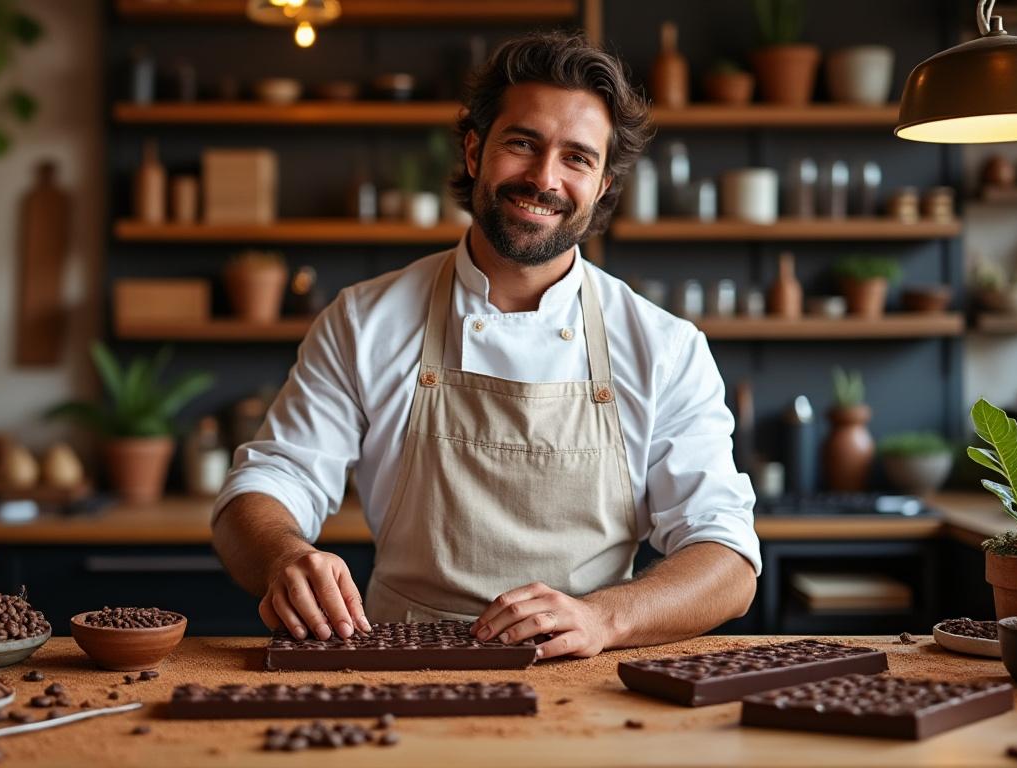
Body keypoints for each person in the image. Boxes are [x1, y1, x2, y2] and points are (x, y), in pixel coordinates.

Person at [212, 31, 760, 661]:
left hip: (586, 677)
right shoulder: (364, 322)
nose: (544, 178)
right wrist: (283, 555)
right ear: (475, 151)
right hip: (398, 668)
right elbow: (267, 484)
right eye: (522, 143)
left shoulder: (664, 347)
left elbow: (728, 558)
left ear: (603, 184)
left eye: (577, 158)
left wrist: (604, 618)